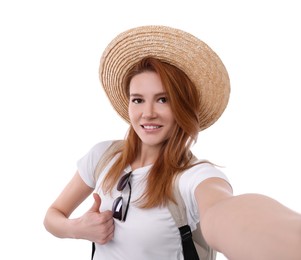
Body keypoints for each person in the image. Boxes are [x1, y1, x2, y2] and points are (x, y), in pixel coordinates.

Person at [43, 25, 301, 260]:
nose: (148, 113)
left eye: (163, 99)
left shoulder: (193, 176)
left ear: (182, 107)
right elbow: (53, 215)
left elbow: (223, 211)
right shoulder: (103, 157)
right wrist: (77, 229)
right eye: (138, 99)